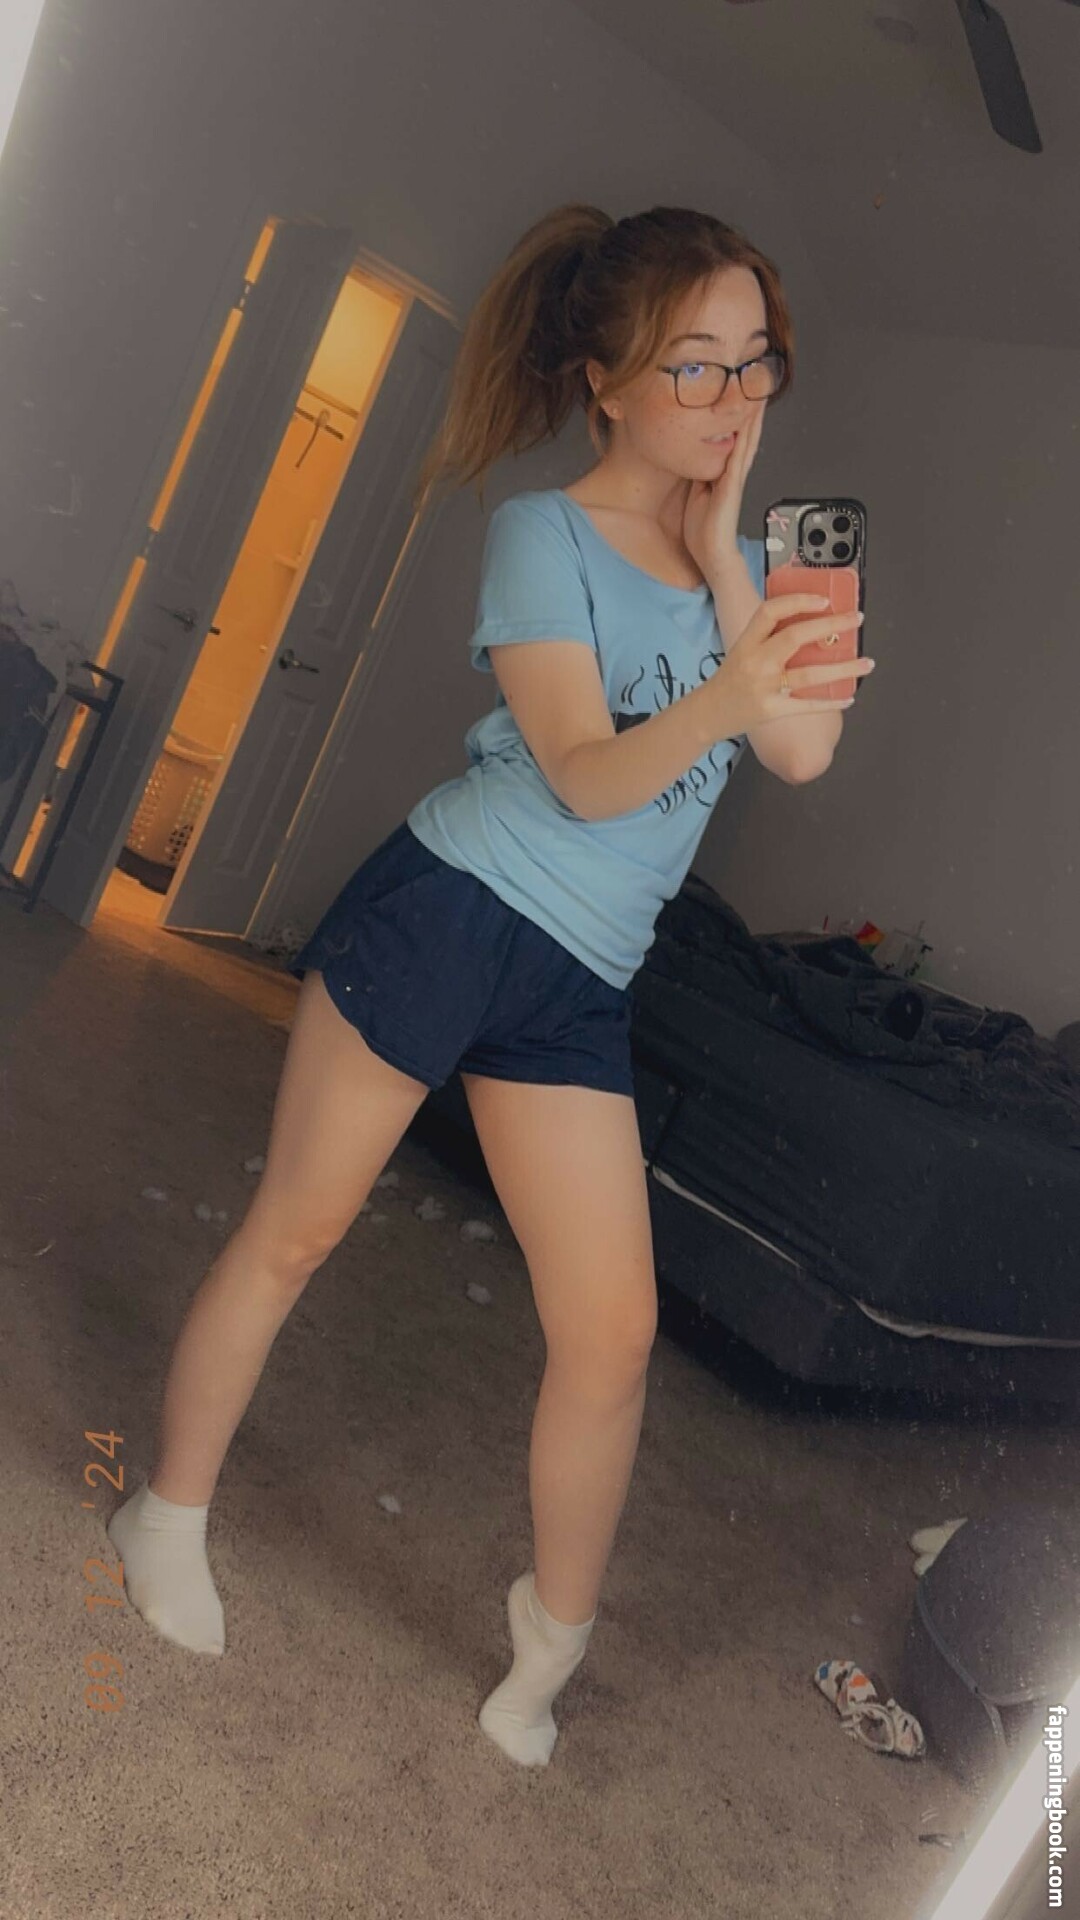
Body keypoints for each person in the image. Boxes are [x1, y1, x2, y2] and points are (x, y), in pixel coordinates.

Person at [107, 202, 872, 1767]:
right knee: (298, 1228)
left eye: (756, 363)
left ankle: (551, 1639)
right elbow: (585, 776)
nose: (733, 399)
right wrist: (728, 685)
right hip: (452, 911)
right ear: (606, 379)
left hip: (581, 980)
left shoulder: (777, 561)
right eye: (694, 364)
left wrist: (728, 560)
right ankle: (163, 1513)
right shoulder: (543, 534)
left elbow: (799, 748)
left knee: (611, 1330)